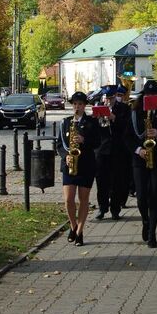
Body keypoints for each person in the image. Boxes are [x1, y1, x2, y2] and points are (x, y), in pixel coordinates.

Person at [127, 80, 157, 248]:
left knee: (154, 196)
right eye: (148, 95)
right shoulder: (135, 112)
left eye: (155, 95)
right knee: (141, 198)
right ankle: (145, 221)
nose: (151, 97)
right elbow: (127, 137)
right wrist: (138, 149)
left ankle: (152, 233)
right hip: (140, 159)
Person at [58, 91, 100, 246]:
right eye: (75, 104)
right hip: (69, 164)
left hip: (86, 165)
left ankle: (80, 232)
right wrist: (66, 156)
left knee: (83, 199)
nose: (77, 107)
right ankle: (73, 225)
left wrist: (84, 140)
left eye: (80, 104)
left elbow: (97, 142)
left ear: (84, 106)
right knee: (68, 199)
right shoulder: (65, 122)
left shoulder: (92, 122)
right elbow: (59, 144)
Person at [94, 84, 131, 220]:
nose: (109, 100)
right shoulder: (99, 107)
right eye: (107, 98)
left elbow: (127, 127)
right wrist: (95, 117)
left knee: (117, 181)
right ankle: (102, 208)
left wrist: (114, 118)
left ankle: (115, 209)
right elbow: (94, 130)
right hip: (102, 150)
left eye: (111, 98)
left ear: (115, 96)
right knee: (101, 181)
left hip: (118, 149)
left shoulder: (124, 109)